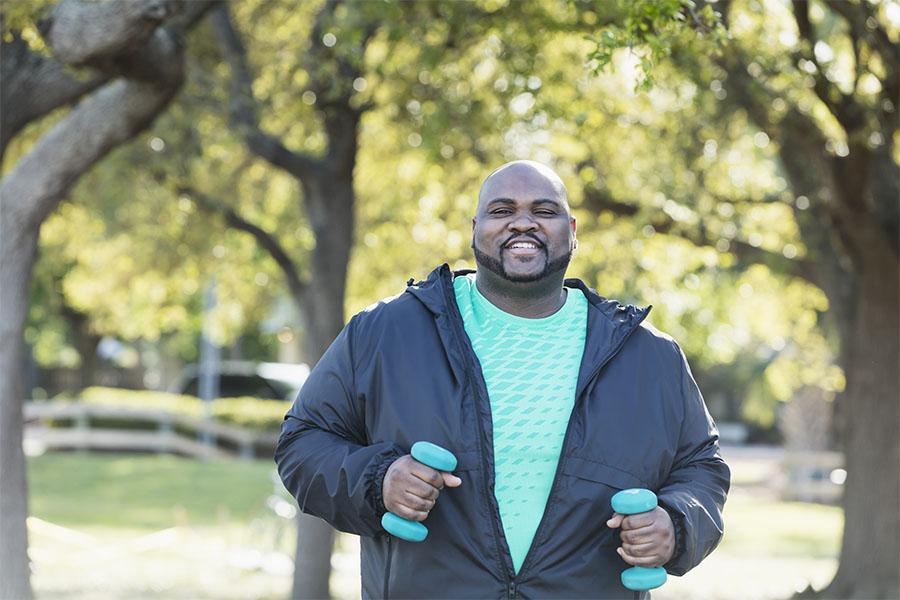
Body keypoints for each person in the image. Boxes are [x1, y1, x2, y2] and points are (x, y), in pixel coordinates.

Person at [275, 160, 730, 599]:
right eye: (502, 210)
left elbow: (701, 466)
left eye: (544, 211)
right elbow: (303, 442)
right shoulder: (386, 333)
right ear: (475, 228)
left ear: (572, 233)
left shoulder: (647, 356)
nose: (523, 223)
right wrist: (379, 480)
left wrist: (675, 524)